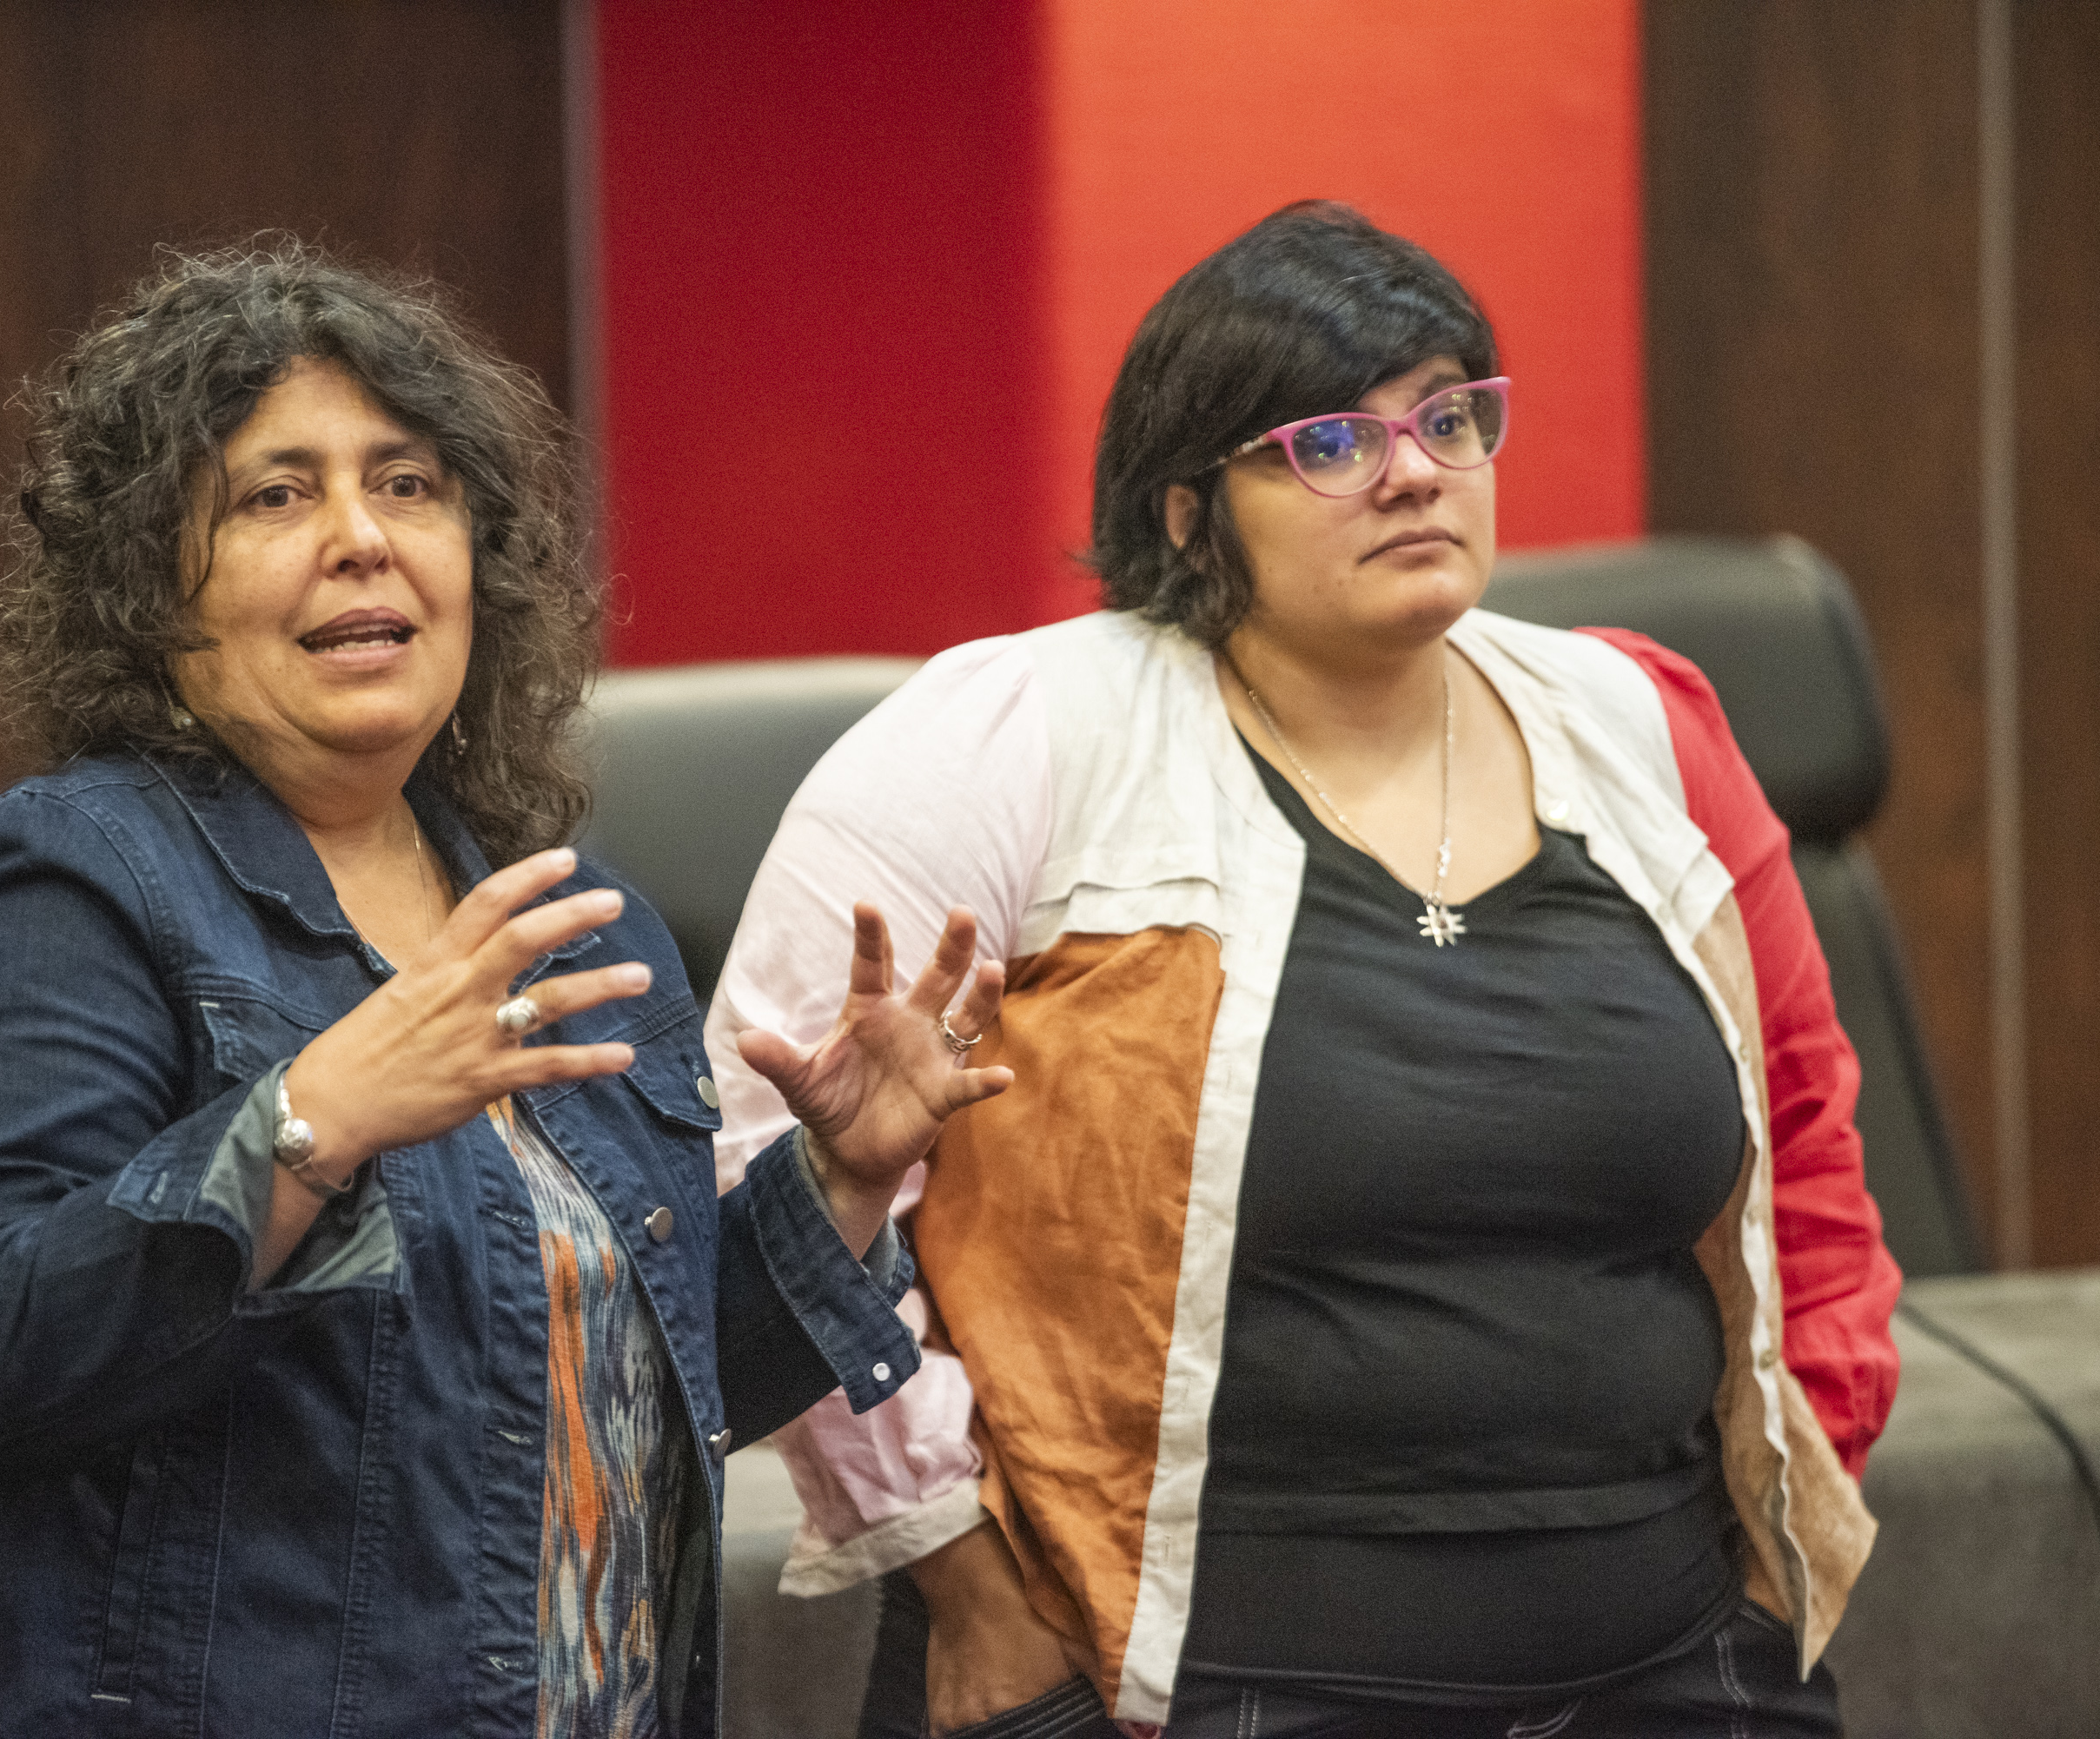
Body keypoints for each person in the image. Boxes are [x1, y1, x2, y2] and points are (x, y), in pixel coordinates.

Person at [708, 202, 1902, 1738]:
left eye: (1450, 418)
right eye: (1331, 441)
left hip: (1677, 1656)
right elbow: (761, 1169)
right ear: (1190, 512)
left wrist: (1799, 1500)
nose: (1413, 471)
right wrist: (962, 1580)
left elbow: (1804, 1131)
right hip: (1184, 1682)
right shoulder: (1007, 739)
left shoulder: (1639, 723)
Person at [0, 241, 1011, 1739]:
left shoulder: (564, 925)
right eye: (275, 495)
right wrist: (310, 1121)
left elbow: (620, 1393)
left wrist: (839, 1179)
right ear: (146, 588)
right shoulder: (61, 887)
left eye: (408, 485)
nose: (362, 538)